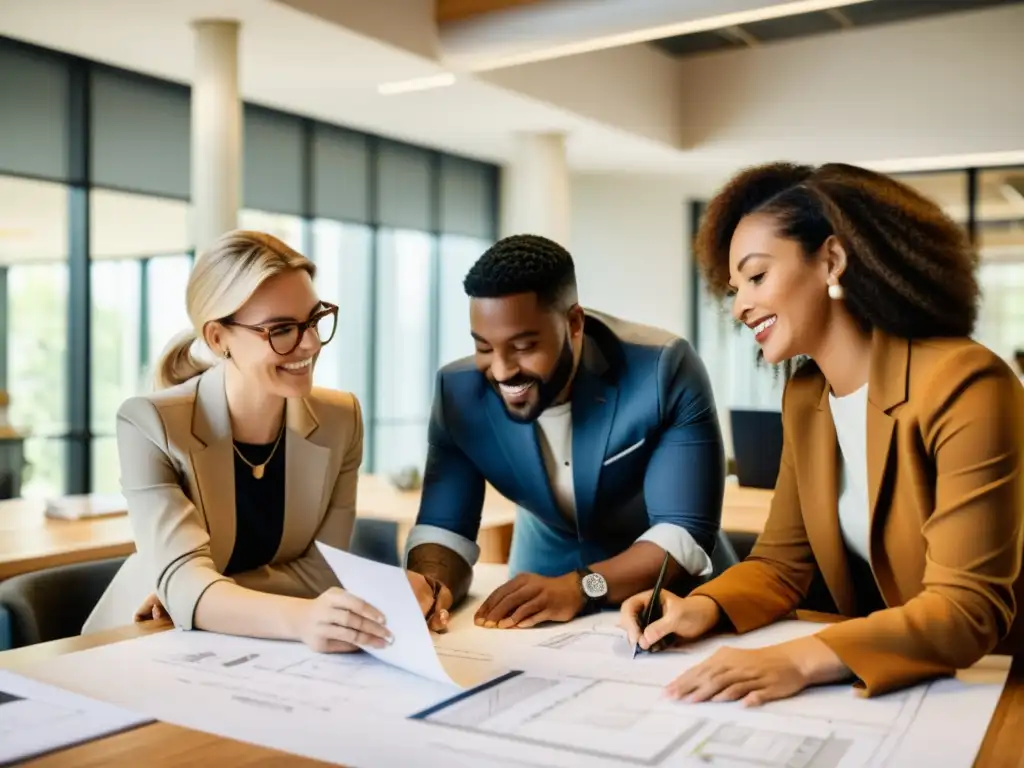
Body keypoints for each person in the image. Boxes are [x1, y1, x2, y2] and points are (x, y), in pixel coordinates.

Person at [621, 162, 1024, 704]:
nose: (740, 305)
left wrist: (798, 658)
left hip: (996, 684)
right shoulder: (807, 396)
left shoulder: (967, 383)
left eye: (757, 276)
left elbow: (966, 609)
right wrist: (701, 606)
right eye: (735, 287)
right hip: (904, 685)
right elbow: (782, 564)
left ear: (832, 260)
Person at [83, 231, 395, 653]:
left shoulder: (342, 419)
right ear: (217, 338)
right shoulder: (148, 424)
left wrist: (207, 598)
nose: (310, 343)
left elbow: (324, 572)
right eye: (281, 329)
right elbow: (187, 582)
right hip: (142, 641)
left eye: (314, 320)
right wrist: (296, 615)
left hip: (261, 648)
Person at [404, 234, 731, 633]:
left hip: (670, 600)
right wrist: (430, 585)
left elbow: (683, 533)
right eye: (485, 347)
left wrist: (582, 587)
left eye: (523, 346)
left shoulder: (662, 369)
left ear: (573, 323)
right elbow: (444, 527)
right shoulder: (457, 393)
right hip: (536, 598)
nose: (503, 370)